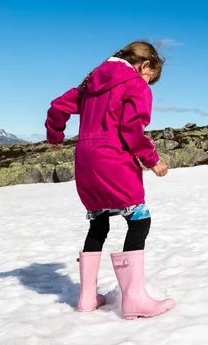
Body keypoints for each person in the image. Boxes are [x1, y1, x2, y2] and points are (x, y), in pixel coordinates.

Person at [45, 40, 175, 320]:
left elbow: (57, 107)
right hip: (113, 158)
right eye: (149, 78)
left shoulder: (90, 83)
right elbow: (131, 128)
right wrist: (153, 160)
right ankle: (134, 299)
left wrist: (55, 136)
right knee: (139, 220)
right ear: (146, 65)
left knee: (99, 222)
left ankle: (87, 297)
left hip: (85, 161)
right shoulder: (135, 84)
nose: (147, 84)